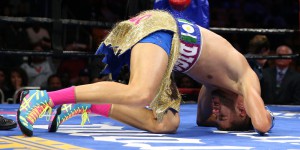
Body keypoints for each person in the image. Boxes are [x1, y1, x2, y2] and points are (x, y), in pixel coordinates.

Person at [17, 10, 273, 137]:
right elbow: (261, 124)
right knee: (140, 93)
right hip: (165, 31)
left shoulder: (218, 86)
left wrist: (218, 114)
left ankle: (89, 106)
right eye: (224, 117)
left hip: (170, 54)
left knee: (165, 124)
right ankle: (44, 99)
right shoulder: (246, 79)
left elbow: (201, 120)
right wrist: (266, 115)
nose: (216, 115)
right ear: (243, 109)